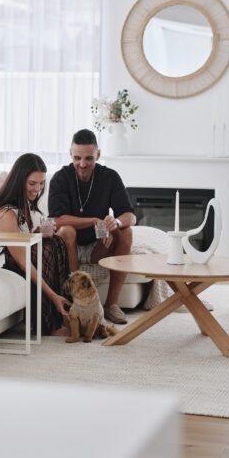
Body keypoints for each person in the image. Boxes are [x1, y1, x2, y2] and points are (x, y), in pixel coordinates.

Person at [0, 153, 71, 335]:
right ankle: (51, 322)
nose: (38, 189)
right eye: (32, 183)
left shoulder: (22, 205)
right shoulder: (7, 213)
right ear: (19, 181)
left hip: (1, 250)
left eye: (41, 183)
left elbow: (19, 239)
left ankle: (67, 312)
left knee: (54, 241)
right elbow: (22, 259)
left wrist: (39, 233)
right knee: (44, 250)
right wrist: (53, 295)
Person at [48, 129, 136, 325]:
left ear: (98, 155)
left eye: (89, 158)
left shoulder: (110, 177)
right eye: (77, 158)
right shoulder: (60, 178)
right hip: (68, 246)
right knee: (67, 230)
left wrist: (116, 223)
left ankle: (111, 305)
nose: (82, 164)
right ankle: (77, 302)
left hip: (98, 246)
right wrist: (95, 220)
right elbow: (57, 221)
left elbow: (130, 215)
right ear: (70, 153)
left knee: (126, 232)